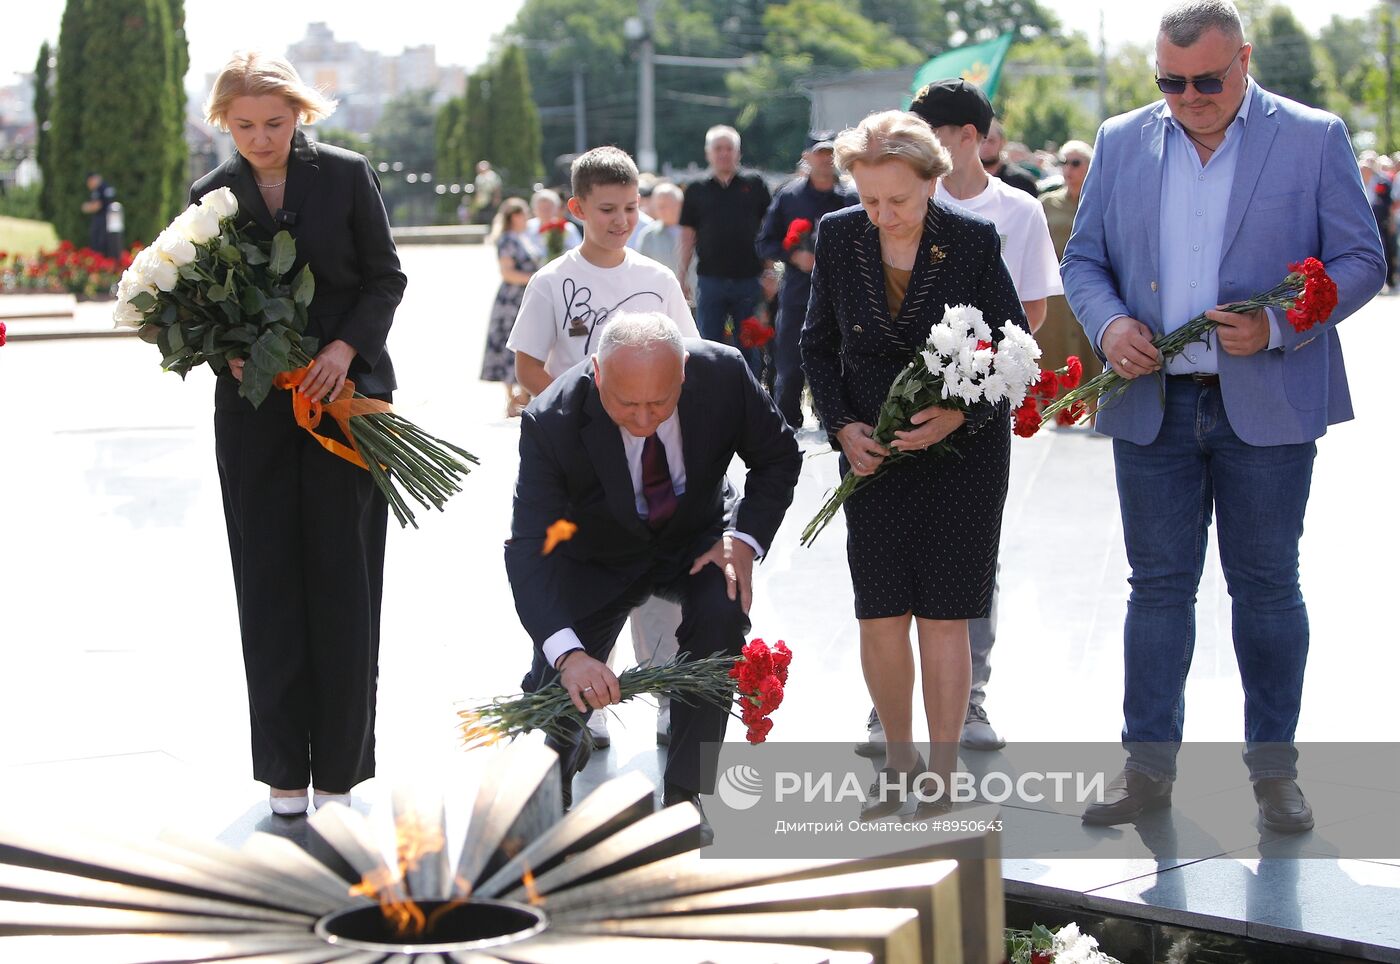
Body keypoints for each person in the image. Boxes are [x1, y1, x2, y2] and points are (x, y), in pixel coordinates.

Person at [1062, 0, 1385, 833]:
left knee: (1268, 589)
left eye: (1208, 79)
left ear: (1245, 58)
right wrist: (1109, 325)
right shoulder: (1122, 139)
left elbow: (1360, 259)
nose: (1191, 96)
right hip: (1154, 406)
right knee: (1157, 590)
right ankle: (1148, 770)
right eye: (1172, 82)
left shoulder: (1313, 136)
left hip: (1269, 406)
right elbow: (1085, 259)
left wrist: (1280, 324)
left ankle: (1274, 772)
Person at [191, 51, 406, 816]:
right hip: (254, 421)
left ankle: (340, 778)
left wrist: (345, 350)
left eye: (275, 124)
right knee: (269, 588)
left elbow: (386, 277)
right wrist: (231, 348)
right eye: (244, 126)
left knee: (346, 587)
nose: (260, 138)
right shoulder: (210, 195)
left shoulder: (347, 175)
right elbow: (194, 311)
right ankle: (284, 775)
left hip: (346, 410)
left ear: (300, 114)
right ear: (223, 122)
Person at [801, 110, 1028, 817]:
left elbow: (1012, 346)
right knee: (880, 611)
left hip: (963, 453)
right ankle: (897, 765)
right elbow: (815, 344)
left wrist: (962, 413)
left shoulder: (972, 241)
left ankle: (944, 773)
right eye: (868, 200)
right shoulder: (838, 237)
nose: (882, 215)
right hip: (873, 449)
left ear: (933, 182)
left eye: (897, 200)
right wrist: (841, 426)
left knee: (945, 615)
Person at [505, 311, 801, 839]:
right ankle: (558, 765)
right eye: (627, 404)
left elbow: (778, 456)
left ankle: (688, 794)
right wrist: (569, 655)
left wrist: (743, 540)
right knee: (557, 690)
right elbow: (529, 549)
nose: (644, 419)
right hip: (595, 556)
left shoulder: (724, 374)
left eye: (659, 403)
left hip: (699, 539)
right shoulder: (552, 420)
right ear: (597, 374)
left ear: (683, 372)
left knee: (721, 614)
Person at [888, 77, 1062, 754]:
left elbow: (1034, 314)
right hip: (900, 402)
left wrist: (969, 381)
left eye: (927, 133)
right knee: (890, 554)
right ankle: (888, 702)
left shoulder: (1016, 211)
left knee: (970, 556)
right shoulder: (901, 203)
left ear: (970, 138)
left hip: (977, 409)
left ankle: (970, 700)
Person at [508, 148, 699, 751]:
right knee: (582, 579)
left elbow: (690, 359)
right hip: (580, 466)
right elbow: (527, 364)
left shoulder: (657, 279)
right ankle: (583, 699)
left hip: (655, 459)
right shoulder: (552, 281)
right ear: (576, 209)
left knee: (662, 584)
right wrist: (579, 422)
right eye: (607, 210)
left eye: (631, 208)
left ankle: (670, 698)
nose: (621, 221)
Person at [755, 131, 857, 429]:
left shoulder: (849, 198)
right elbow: (765, 242)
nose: (826, 160)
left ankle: (834, 419)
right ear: (807, 157)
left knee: (840, 359)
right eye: (820, 154)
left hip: (839, 293)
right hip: (799, 290)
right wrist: (793, 257)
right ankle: (786, 422)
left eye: (830, 154)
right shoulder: (789, 197)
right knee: (789, 359)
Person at [678, 125, 777, 375]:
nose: (724, 154)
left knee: (750, 345)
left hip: (749, 279)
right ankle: (709, 394)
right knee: (707, 342)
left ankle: (751, 396)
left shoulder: (755, 185)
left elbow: (768, 231)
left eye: (729, 148)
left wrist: (770, 272)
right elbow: (688, 235)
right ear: (708, 153)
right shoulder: (696, 189)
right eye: (718, 149)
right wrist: (681, 274)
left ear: (738, 152)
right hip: (711, 279)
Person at [1037, 140, 1103, 387]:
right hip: (1055, 291)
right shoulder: (1046, 203)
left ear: (1090, 165)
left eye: (1076, 163)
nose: (1068, 169)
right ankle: (1056, 413)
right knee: (1053, 348)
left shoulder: (1101, 201)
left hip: (1091, 288)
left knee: (1092, 350)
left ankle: (1095, 413)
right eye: (1064, 162)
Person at [482, 197, 539, 417]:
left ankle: (522, 395)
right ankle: (510, 398)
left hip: (524, 297)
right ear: (514, 216)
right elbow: (507, 273)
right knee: (509, 344)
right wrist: (535, 278)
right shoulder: (507, 240)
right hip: (511, 300)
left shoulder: (524, 237)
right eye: (524, 213)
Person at [981, 120, 1039, 197]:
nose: (986, 146)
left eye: (991, 141)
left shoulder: (1022, 181)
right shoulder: (964, 181)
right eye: (982, 141)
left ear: (1002, 142)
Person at [523, 188, 582, 260]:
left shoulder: (567, 228)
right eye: (541, 208)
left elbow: (576, 251)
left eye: (548, 208)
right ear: (534, 209)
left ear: (556, 208)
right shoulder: (526, 227)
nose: (544, 211)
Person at [81, 173, 116, 257]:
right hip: (107, 220)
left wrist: (86, 207)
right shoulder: (104, 187)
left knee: (99, 243)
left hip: (102, 220)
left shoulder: (100, 189)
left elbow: (97, 205)